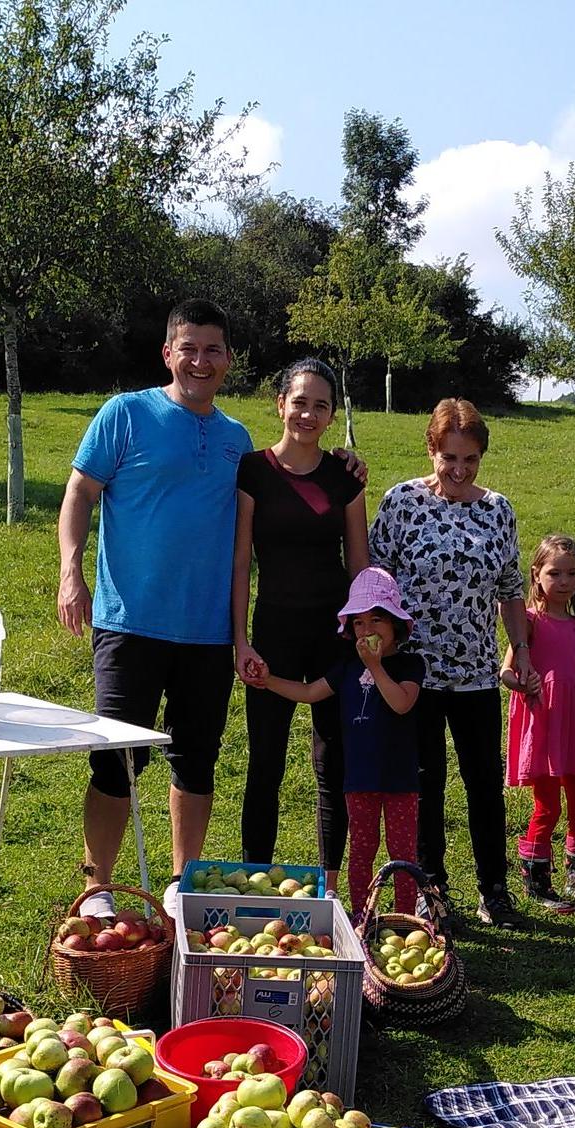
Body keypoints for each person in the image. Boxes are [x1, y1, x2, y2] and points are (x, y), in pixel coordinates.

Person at [57, 300, 250, 902]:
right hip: (130, 623)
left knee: (196, 762)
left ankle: (179, 883)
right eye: (188, 348)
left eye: (212, 349)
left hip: (208, 632)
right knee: (116, 760)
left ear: (227, 359)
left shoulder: (235, 439)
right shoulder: (126, 413)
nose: (200, 360)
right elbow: (80, 493)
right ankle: (99, 888)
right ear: (168, 353)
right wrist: (70, 572)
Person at [368, 398, 532, 927]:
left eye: (471, 459)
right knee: (425, 781)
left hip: (477, 672)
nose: (459, 470)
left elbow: (510, 587)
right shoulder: (401, 503)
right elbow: (376, 581)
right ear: (432, 449)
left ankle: (495, 888)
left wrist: (521, 650)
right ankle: (429, 889)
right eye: (450, 457)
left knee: (484, 782)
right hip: (413, 671)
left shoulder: (497, 509)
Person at [231, 358, 369, 897]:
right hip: (271, 631)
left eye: (320, 404)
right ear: (280, 404)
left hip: (333, 635)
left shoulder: (345, 478)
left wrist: (361, 635)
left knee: (332, 764)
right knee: (264, 760)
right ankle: (252, 877)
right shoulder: (253, 470)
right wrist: (240, 639)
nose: (308, 413)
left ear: (332, 415)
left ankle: (329, 888)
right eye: (300, 401)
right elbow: (242, 560)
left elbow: (358, 564)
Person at [239, 569, 422, 918]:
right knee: (362, 853)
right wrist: (269, 681)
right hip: (358, 781)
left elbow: (401, 703)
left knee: (402, 855)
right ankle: (360, 917)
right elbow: (309, 692)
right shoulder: (346, 667)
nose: (367, 630)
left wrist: (376, 667)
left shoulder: (410, 665)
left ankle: (403, 919)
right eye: (358, 624)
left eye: (377, 620)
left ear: (395, 624)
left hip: (401, 782)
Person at [504, 534, 575, 913]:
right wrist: (524, 681)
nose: (564, 581)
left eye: (572, 573)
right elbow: (507, 672)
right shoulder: (529, 622)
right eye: (555, 573)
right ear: (537, 574)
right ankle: (536, 879)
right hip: (545, 723)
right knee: (547, 806)